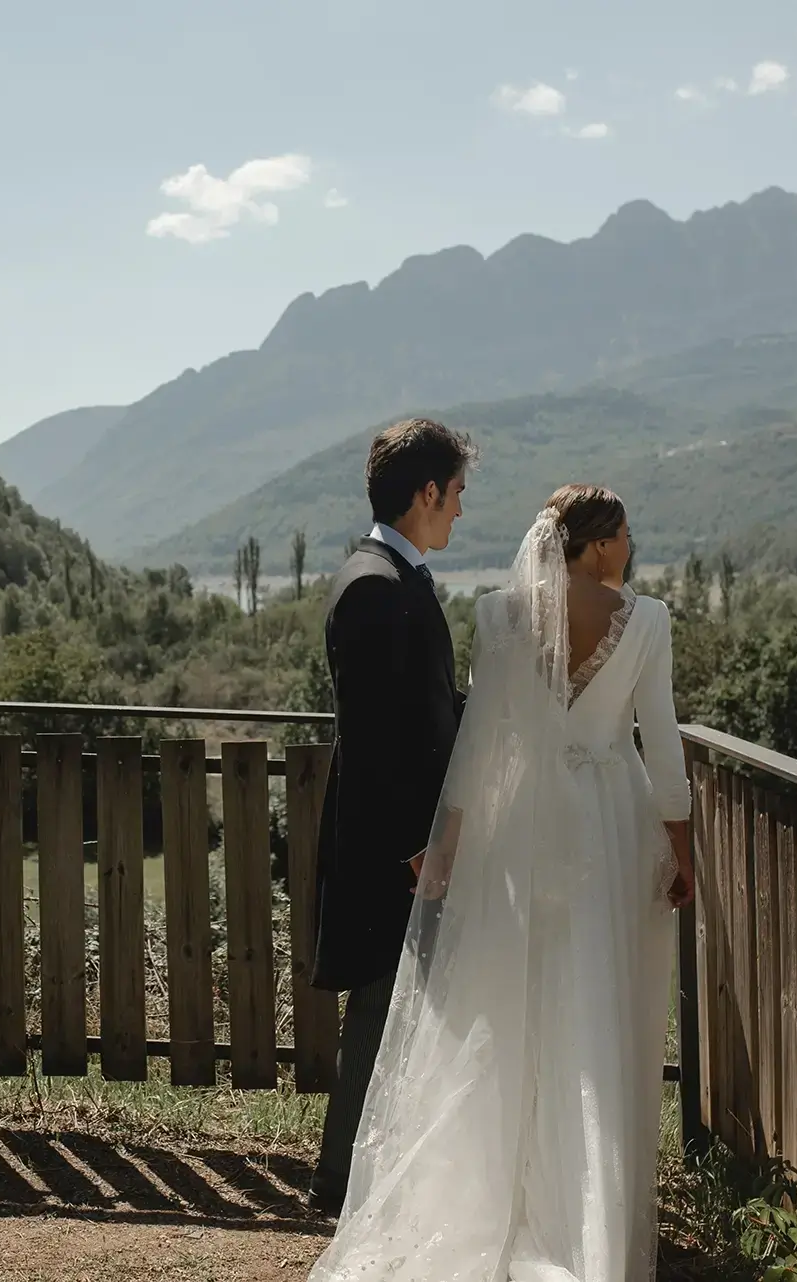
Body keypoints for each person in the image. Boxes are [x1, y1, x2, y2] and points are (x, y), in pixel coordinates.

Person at [309, 484, 697, 1282]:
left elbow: (479, 741)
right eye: (623, 533)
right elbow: (660, 742)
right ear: (595, 546)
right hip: (608, 827)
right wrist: (681, 849)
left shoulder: (497, 615)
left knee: (519, 997)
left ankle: (506, 1188)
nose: (630, 547)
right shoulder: (647, 620)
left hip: (522, 830)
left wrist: (447, 843)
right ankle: (585, 1208)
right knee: (594, 999)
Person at [307, 417, 475, 1217]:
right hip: (393, 848)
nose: (460, 514)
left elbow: (425, 707)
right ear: (427, 492)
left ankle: (376, 1171)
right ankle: (340, 1182)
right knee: (379, 1010)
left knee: (397, 1010)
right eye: (457, 495)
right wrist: (417, 848)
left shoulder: (393, 575)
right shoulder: (374, 586)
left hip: (411, 843)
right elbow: (376, 741)